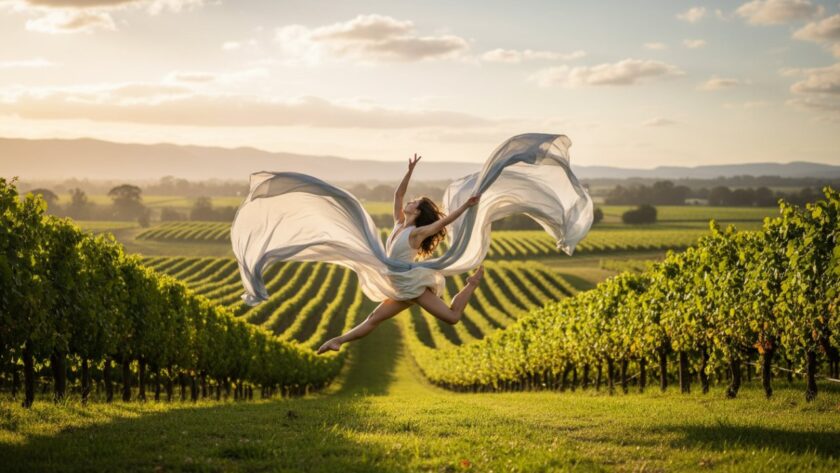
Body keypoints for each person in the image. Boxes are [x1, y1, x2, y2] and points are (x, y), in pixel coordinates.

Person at [316, 154, 484, 354]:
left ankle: (471, 284)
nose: (409, 202)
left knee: (452, 317)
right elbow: (398, 196)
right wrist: (410, 171)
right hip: (398, 284)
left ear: (419, 212)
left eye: (414, 202)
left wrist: (467, 205)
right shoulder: (398, 224)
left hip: (412, 285)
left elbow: (442, 223)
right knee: (373, 319)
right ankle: (338, 341)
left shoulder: (416, 234)